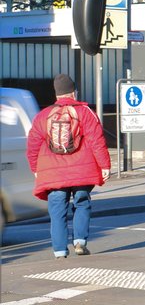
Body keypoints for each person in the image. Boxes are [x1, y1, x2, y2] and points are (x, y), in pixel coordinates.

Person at [25, 74, 110, 259]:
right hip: (82, 170)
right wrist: (105, 166)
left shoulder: (43, 116)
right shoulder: (85, 112)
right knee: (82, 203)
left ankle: (60, 251)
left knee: (57, 210)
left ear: (56, 94)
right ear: (74, 92)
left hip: (53, 174)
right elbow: (97, 141)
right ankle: (80, 241)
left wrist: (35, 169)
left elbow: (32, 145)